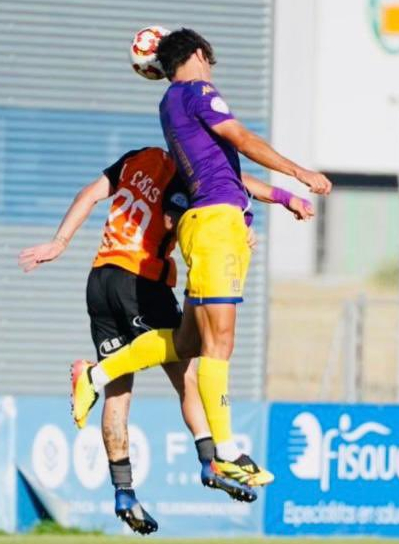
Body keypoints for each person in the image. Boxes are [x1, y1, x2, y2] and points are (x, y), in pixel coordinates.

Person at [70, 28, 332, 487]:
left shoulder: (171, 103)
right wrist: (299, 172)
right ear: (197, 54)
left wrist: (283, 197)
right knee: (220, 341)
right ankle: (227, 452)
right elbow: (243, 139)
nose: (211, 68)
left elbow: (226, 168)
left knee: (188, 341)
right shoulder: (198, 91)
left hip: (210, 223)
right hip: (216, 226)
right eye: (208, 59)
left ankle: (99, 373)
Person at [19, 146, 312, 534]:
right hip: (142, 280)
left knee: (118, 392)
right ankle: (211, 461)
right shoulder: (188, 173)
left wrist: (59, 242)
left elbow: (88, 194)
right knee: (186, 368)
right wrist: (234, 226)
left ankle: (124, 493)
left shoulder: (135, 159)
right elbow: (190, 212)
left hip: (100, 278)